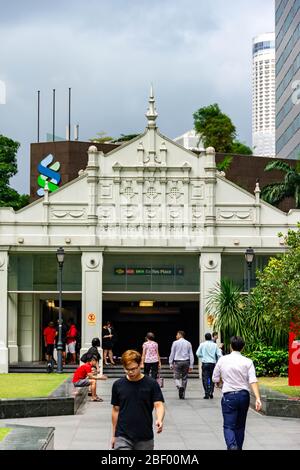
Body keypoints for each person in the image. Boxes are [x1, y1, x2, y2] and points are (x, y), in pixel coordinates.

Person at [212, 335, 262, 450]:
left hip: (229, 395)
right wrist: (258, 398)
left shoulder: (222, 360)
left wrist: (220, 382)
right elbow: (253, 380)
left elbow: (215, 378)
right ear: (243, 347)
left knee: (229, 426)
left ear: (230, 346)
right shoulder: (248, 361)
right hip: (244, 396)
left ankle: (232, 446)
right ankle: (238, 447)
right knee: (240, 426)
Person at [111, 349, 165, 450]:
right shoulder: (118, 385)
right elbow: (115, 410)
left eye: (133, 369)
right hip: (122, 436)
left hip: (145, 436)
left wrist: (159, 419)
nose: (130, 372)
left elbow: (159, 404)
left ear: (140, 364)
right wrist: (114, 435)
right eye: (127, 369)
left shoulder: (151, 384)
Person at [196, 332, 222, 399]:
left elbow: (197, 353)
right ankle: (211, 392)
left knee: (205, 378)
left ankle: (206, 393)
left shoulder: (202, 344)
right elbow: (219, 354)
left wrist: (203, 356)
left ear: (205, 338)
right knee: (212, 378)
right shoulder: (215, 345)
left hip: (205, 363)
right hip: (212, 363)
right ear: (211, 337)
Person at [168, 330, 194, 399]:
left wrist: (170, 363)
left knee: (176, 377)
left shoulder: (175, 343)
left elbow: (172, 353)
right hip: (186, 362)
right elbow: (191, 354)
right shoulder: (188, 343)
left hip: (177, 362)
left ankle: (179, 387)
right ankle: (183, 394)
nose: (176, 336)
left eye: (177, 335)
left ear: (180, 335)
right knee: (184, 378)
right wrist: (191, 365)